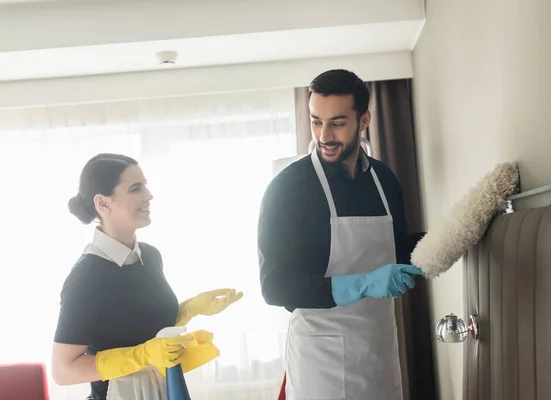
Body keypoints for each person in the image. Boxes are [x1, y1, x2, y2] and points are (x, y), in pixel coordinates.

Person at [258, 69, 425, 400]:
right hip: (321, 366)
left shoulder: (384, 180)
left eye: (336, 122)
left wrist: (454, 238)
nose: (323, 135)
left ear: (364, 120)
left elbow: (400, 248)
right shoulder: (287, 189)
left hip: (378, 352)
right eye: (316, 121)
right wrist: (364, 283)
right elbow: (275, 286)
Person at [52, 153, 243, 400]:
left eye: (146, 185)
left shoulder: (151, 257)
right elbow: (63, 370)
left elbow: (139, 328)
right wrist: (140, 356)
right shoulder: (88, 276)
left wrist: (189, 308)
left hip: (162, 390)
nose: (149, 195)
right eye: (136, 188)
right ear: (103, 203)